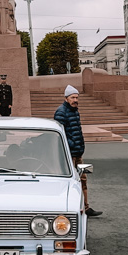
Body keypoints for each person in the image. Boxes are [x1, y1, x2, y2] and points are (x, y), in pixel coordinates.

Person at [54, 85, 102, 216]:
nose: (75, 100)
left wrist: (79, 145)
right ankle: (68, 208)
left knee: (83, 180)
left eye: (76, 97)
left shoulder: (74, 110)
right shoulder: (61, 112)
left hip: (78, 152)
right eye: (72, 97)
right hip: (69, 154)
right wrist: (72, 144)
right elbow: (60, 133)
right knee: (70, 182)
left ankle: (86, 208)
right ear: (66, 98)